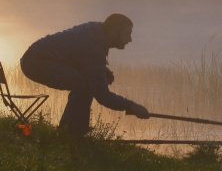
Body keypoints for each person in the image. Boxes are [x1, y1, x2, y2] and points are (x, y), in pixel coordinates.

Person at [20, 13, 150, 136]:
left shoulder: (97, 32)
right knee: (85, 84)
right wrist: (132, 106)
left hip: (37, 58)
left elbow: (78, 56)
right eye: (127, 34)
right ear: (114, 31)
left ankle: (71, 131)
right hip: (36, 63)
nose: (130, 39)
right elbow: (103, 96)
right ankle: (72, 133)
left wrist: (101, 70)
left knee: (86, 82)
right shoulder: (94, 47)